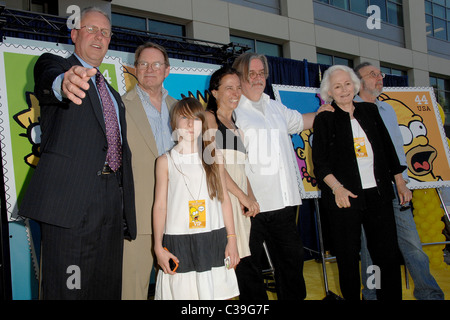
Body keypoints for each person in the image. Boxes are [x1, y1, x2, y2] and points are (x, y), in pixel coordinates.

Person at [18, 7, 136, 299]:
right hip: (71, 205)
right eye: (91, 29)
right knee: (70, 289)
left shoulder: (111, 92)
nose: (99, 36)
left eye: (105, 32)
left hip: (111, 202)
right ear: (74, 33)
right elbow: (49, 77)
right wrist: (63, 83)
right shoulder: (58, 66)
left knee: (105, 289)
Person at [232, 52, 325, 300]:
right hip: (250, 206)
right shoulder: (232, 112)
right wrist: (244, 197)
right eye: (251, 73)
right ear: (239, 77)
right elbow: (227, 162)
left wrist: (328, 111)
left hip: (284, 204)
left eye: (261, 73)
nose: (257, 78)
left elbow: (302, 121)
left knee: (292, 265)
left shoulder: (275, 106)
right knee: (249, 270)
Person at [312, 64, 408, 300]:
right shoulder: (325, 118)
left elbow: (388, 150)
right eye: (337, 86)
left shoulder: (370, 111)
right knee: (347, 259)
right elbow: (320, 164)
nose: (344, 89)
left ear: (355, 85)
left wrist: (401, 182)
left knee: (387, 256)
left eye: (347, 84)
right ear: (329, 92)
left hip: (379, 195)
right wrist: (337, 188)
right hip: (344, 198)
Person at [354, 62, 444, 300]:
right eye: (372, 75)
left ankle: (429, 293)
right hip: (369, 191)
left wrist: (402, 181)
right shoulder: (350, 110)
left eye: (379, 74)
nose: (379, 78)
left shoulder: (388, 110)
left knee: (412, 243)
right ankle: (372, 294)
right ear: (359, 82)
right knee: (370, 248)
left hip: (397, 187)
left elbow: (396, 151)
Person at [152, 97, 240, 300]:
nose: (191, 124)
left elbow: (224, 199)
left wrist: (232, 239)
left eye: (196, 118)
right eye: (184, 118)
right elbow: (160, 207)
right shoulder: (165, 161)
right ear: (174, 123)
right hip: (179, 242)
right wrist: (158, 246)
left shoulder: (214, 157)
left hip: (213, 238)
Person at [121, 42, 177, 300]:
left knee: (180, 291)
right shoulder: (119, 107)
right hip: (138, 218)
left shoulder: (181, 109)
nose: (149, 69)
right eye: (143, 64)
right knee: (132, 292)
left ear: (167, 70)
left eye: (157, 64)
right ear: (135, 69)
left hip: (180, 216)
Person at [204, 66, 261, 299]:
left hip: (239, 204)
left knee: (242, 271)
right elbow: (216, 165)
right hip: (222, 202)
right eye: (229, 88)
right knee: (225, 272)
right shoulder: (209, 118)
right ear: (215, 92)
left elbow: (240, 170)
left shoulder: (236, 127)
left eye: (238, 87)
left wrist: (251, 197)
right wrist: (241, 196)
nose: (235, 92)